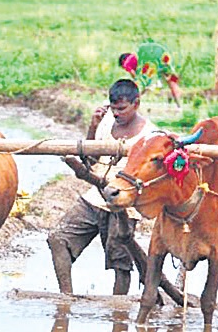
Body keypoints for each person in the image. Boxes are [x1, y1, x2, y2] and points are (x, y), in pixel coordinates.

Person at [47, 79, 158, 295]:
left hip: (124, 203)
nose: (117, 114)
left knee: (120, 263)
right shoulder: (105, 122)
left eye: (122, 109)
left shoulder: (149, 136)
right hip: (95, 197)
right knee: (58, 239)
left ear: (136, 104)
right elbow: (91, 159)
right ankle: (66, 297)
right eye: (114, 108)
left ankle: (118, 311)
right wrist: (93, 126)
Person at [119, 40, 182, 108]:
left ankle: (130, 106)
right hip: (163, 53)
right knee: (171, 81)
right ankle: (180, 105)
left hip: (149, 55)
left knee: (140, 83)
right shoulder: (137, 55)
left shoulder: (127, 63)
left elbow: (137, 79)